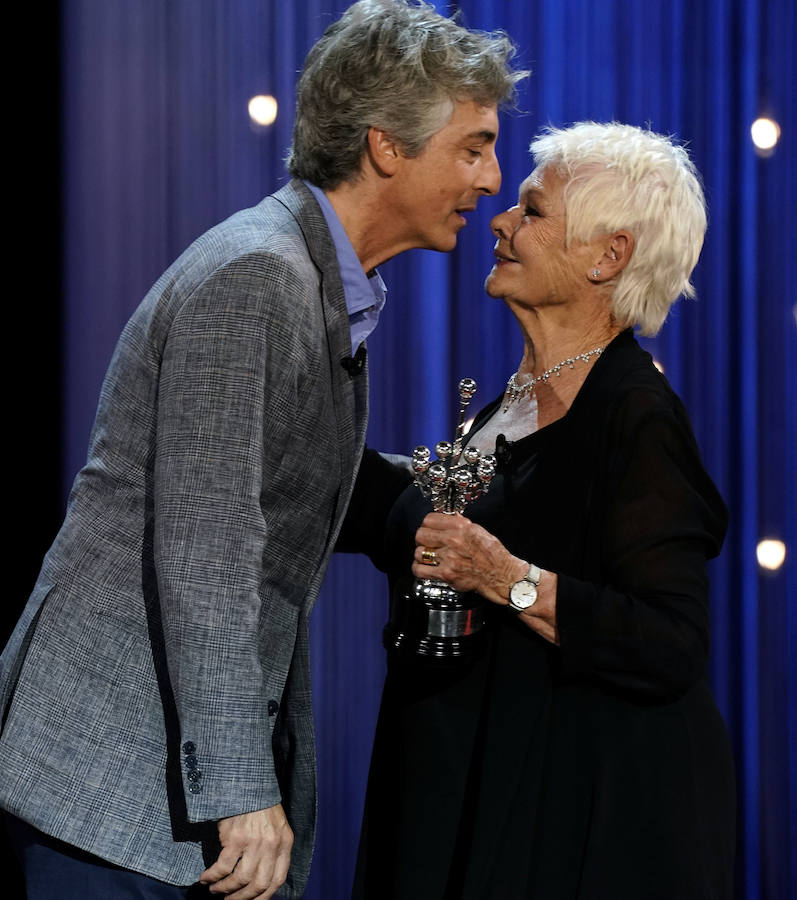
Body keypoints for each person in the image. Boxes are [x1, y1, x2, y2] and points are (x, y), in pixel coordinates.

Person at [0, 2, 526, 898]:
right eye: (472, 147)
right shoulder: (259, 278)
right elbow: (208, 547)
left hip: (160, 771)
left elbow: (308, 473)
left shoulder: (314, 279)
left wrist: (448, 513)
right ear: (386, 147)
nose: (491, 176)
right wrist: (244, 790)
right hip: (112, 774)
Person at [347, 122, 736, 899]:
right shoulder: (518, 402)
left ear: (606, 255)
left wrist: (508, 577)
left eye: (530, 211)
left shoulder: (636, 416)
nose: (498, 219)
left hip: (591, 827)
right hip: (492, 788)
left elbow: (670, 639)